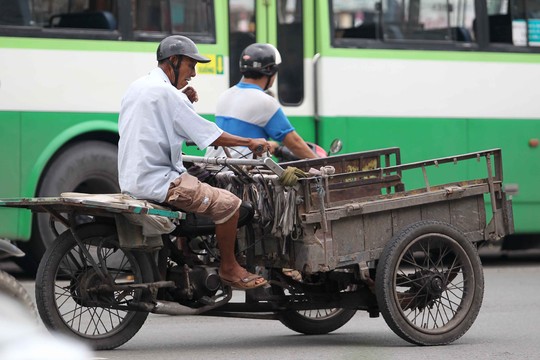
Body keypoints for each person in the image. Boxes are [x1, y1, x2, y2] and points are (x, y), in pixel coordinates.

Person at [117, 35, 270, 290]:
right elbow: (211, 135)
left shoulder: (139, 87)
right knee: (230, 205)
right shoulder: (168, 94)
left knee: (200, 185)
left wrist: (182, 97)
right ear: (174, 61)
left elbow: (157, 123)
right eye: (191, 65)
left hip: (133, 178)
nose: (194, 74)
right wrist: (250, 142)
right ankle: (229, 268)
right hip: (160, 182)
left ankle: (185, 256)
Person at [205, 43, 317, 160]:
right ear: (270, 71)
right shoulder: (265, 102)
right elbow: (294, 143)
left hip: (215, 169)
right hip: (242, 172)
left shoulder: (225, 95)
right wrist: (320, 164)